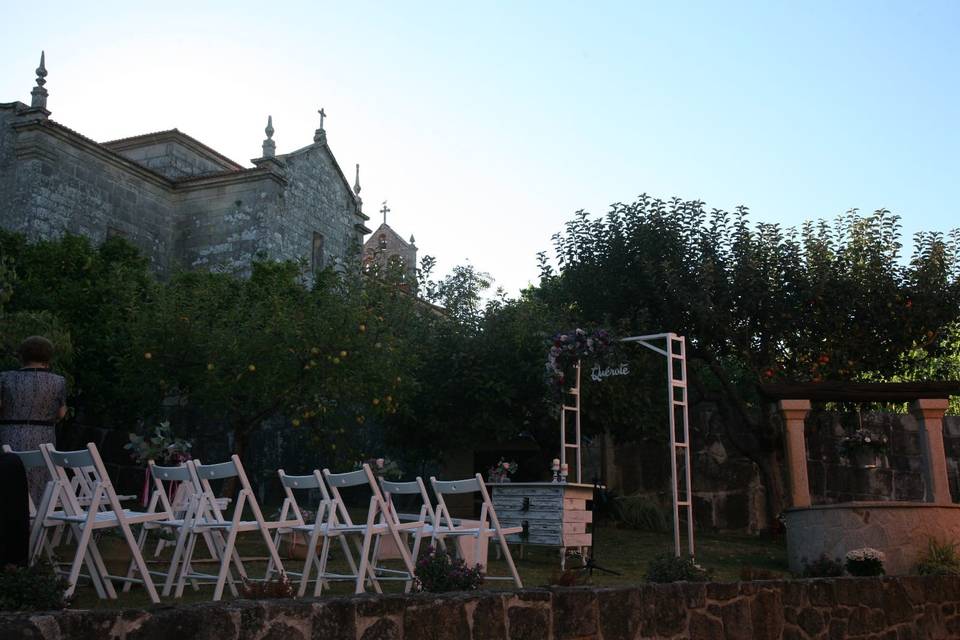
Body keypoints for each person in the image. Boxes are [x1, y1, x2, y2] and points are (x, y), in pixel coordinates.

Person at [0, 336, 67, 505]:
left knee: (9, 477)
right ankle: (35, 521)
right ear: (48, 357)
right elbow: (61, 413)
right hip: (43, 437)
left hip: (9, 434)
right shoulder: (58, 381)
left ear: (22, 355)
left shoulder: (5, 378)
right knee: (39, 479)